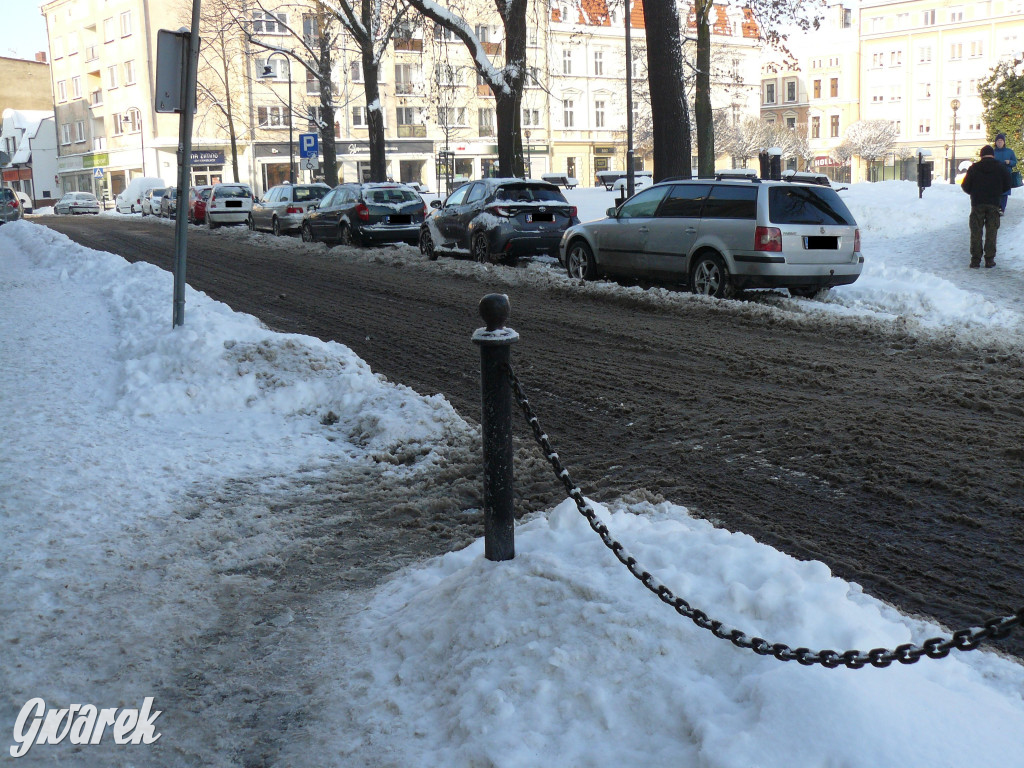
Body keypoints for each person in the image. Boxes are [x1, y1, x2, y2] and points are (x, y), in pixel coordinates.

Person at [961, 145, 1012, 268]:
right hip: (994, 203)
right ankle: (989, 260)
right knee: (992, 231)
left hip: (977, 203)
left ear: (981, 155)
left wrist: (974, 193)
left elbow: (965, 186)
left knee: (976, 231)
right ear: (992, 155)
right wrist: (998, 192)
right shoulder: (1000, 168)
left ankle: (975, 260)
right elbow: (1007, 184)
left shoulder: (974, 168)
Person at [992, 133, 1018, 214]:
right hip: (995, 175)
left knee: (1004, 193)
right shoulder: (992, 152)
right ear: (995, 142)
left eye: (1001, 140)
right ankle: (995, 207)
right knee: (995, 192)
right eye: (998, 141)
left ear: (1004, 142)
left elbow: (1015, 162)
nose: (999, 142)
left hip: (1006, 175)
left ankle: (1002, 209)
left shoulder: (1009, 152)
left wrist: (1010, 162)